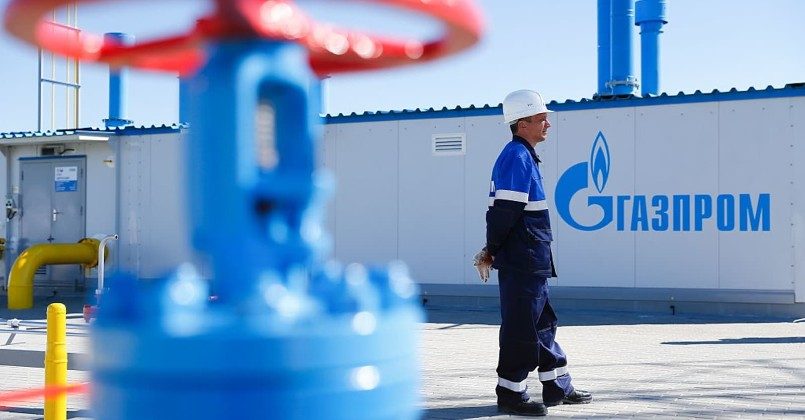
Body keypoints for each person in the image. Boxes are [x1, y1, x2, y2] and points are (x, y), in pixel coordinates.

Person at [474, 89, 592, 416]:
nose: (548, 124)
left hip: (532, 257)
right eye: (541, 118)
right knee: (521, 328)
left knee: (542, 322)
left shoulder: (524, 155)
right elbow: (504, 212)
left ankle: (557, 385)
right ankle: (510, 393)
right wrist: (490, 250)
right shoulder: (517, 156)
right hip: (522, 258)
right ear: (522, 123)